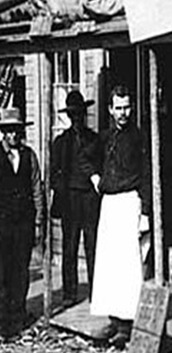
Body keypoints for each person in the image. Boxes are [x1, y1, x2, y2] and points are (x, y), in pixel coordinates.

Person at [81, 84, 151, 348]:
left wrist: (145, 212)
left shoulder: (139, 137)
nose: (123, 113)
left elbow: (146, 173)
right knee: (109, 263)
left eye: (127, 107)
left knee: (128, 264)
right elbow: (85, 158)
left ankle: (128, 323)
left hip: (129, 202)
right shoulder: (105, 137)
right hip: (109, 204)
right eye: (118, 108)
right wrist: (96, 179)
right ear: (110, 110)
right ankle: (113, 318)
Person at [51, 90, 100, 307]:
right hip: (70, 199)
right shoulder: (61, 142)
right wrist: (60, 190)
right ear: (69, 117)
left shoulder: (95, 139)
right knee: (69, 246)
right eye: (73, 115)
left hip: (90, 198)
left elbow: (101, 166)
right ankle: (69, 293)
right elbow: (53, 173)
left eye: (80, 114)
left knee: (92, 244)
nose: (77, 118)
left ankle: (96, 290)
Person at [0, 107, 44, 339]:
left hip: (24, 223)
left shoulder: (29, 155)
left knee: (21, 270)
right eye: (9, 131)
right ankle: (4, 322)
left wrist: (38, 221)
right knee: (3, 272)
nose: (13, 135)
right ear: (3, 133)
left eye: (16, 130)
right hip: (3, 224)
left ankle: (18, 316)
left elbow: (37, 188)